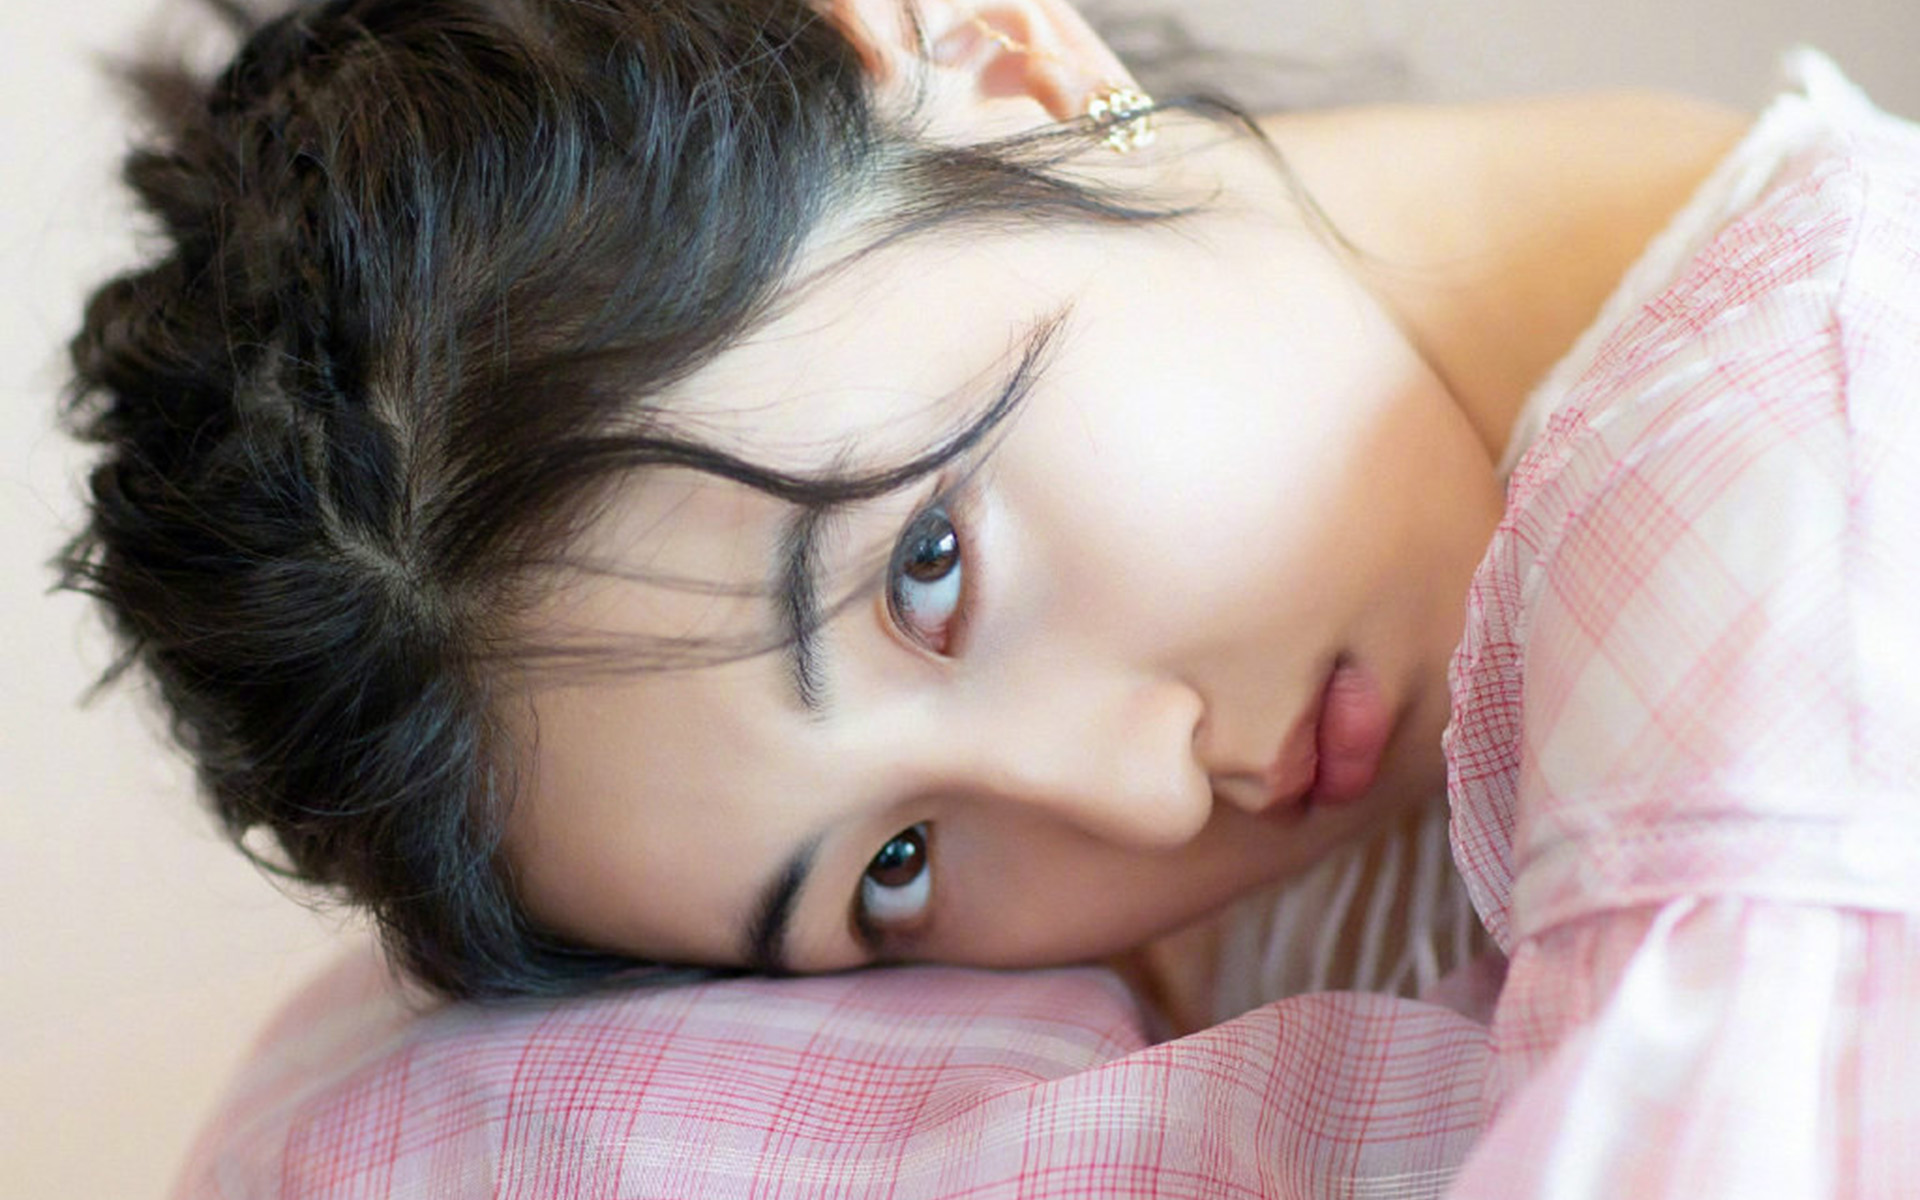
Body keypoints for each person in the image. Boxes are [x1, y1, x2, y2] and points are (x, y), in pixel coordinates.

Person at [59, 0, 1918, 1120]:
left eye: (929, 571)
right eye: (896, 865)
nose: (1141, 798)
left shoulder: (1808, 509)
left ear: (1002, 60)